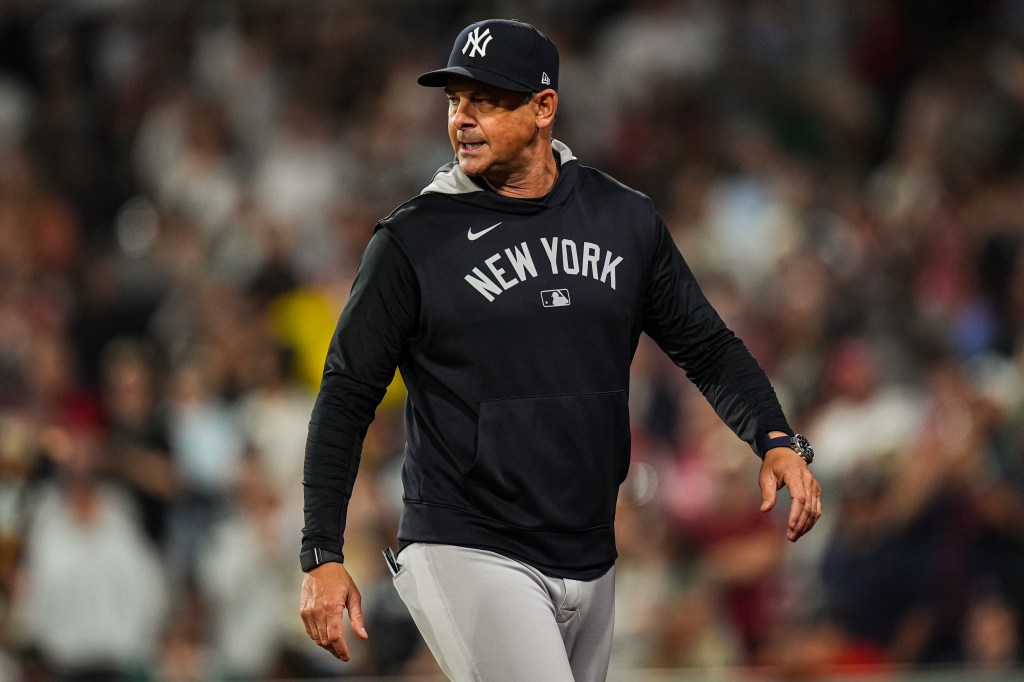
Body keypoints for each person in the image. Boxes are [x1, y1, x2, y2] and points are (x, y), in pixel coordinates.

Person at [299, 18, 822, 681]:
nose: (462, 117)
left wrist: (775, 437)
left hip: (589, 546)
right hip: (467, 541)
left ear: (544, 106)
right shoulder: (413, 240)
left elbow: (707, 346)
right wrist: (322, 550)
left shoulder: (622, 218)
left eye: (486, 99)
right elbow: (346, 392)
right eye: (455, 99)